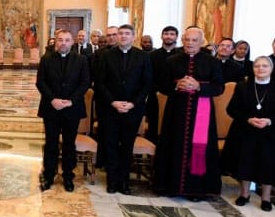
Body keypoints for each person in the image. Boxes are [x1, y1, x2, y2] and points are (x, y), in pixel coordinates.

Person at [153, 26, 223, 200]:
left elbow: (219, 87)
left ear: (201, 42)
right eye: (187, 40)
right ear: (182, 40)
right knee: (173, 145)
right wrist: (177, 85)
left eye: (194, 40)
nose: (190, 43)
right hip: (176, 111)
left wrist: (199, 86)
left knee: (198, 148)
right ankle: (171, 186)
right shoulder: (172, 60)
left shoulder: (212, 62)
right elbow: (162, 85)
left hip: (202, 112)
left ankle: (195, 190)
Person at [224, 56, 275, 212]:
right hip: (246, 130)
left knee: (268, 164)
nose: (260, 69)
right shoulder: (242, 86)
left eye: (265, 66)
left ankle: (266, 197)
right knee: (245, 161)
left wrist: (269, 121)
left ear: (271, 69)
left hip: (272, 132)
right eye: (257, 66)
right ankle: (244, 194)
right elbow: (232, 109)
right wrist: (249, 119)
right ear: (253, 68)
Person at [95, 24, 152, 195]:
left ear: (133, 36)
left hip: (133, 110)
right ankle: (112, 181)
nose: (123, 36)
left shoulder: (143, 57)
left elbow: (147, 83)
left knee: (127, 147)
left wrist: (133, 103)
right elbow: (100, 83)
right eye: (120, 34)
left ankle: (124, 182)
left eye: (127, 34)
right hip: (110, 109)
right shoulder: (106, 56)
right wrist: (113, 102)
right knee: (111, 145)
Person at [37, 29, 90, 192]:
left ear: (72, 42)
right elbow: (41, 82)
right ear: (55, 42)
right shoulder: (46, 59)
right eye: (60, 40)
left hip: (71, 108)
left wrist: (70, 101)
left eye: (67, 40)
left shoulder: (81, 60)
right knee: (51, 143)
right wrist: (53, 99)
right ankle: (49, 175)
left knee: (69, 143)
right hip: (51, 107)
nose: (63, 43)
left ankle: (68, 176)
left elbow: (84, 83)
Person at [145, 26, 181, 141]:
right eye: (166, 34)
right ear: (161, 36)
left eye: (172, 34)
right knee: (153, 125)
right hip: (154, 95)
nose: (168, 36)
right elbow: (148, 76)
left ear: (176, 37)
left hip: (175, 96)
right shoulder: (152, 55)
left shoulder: (181, 55)